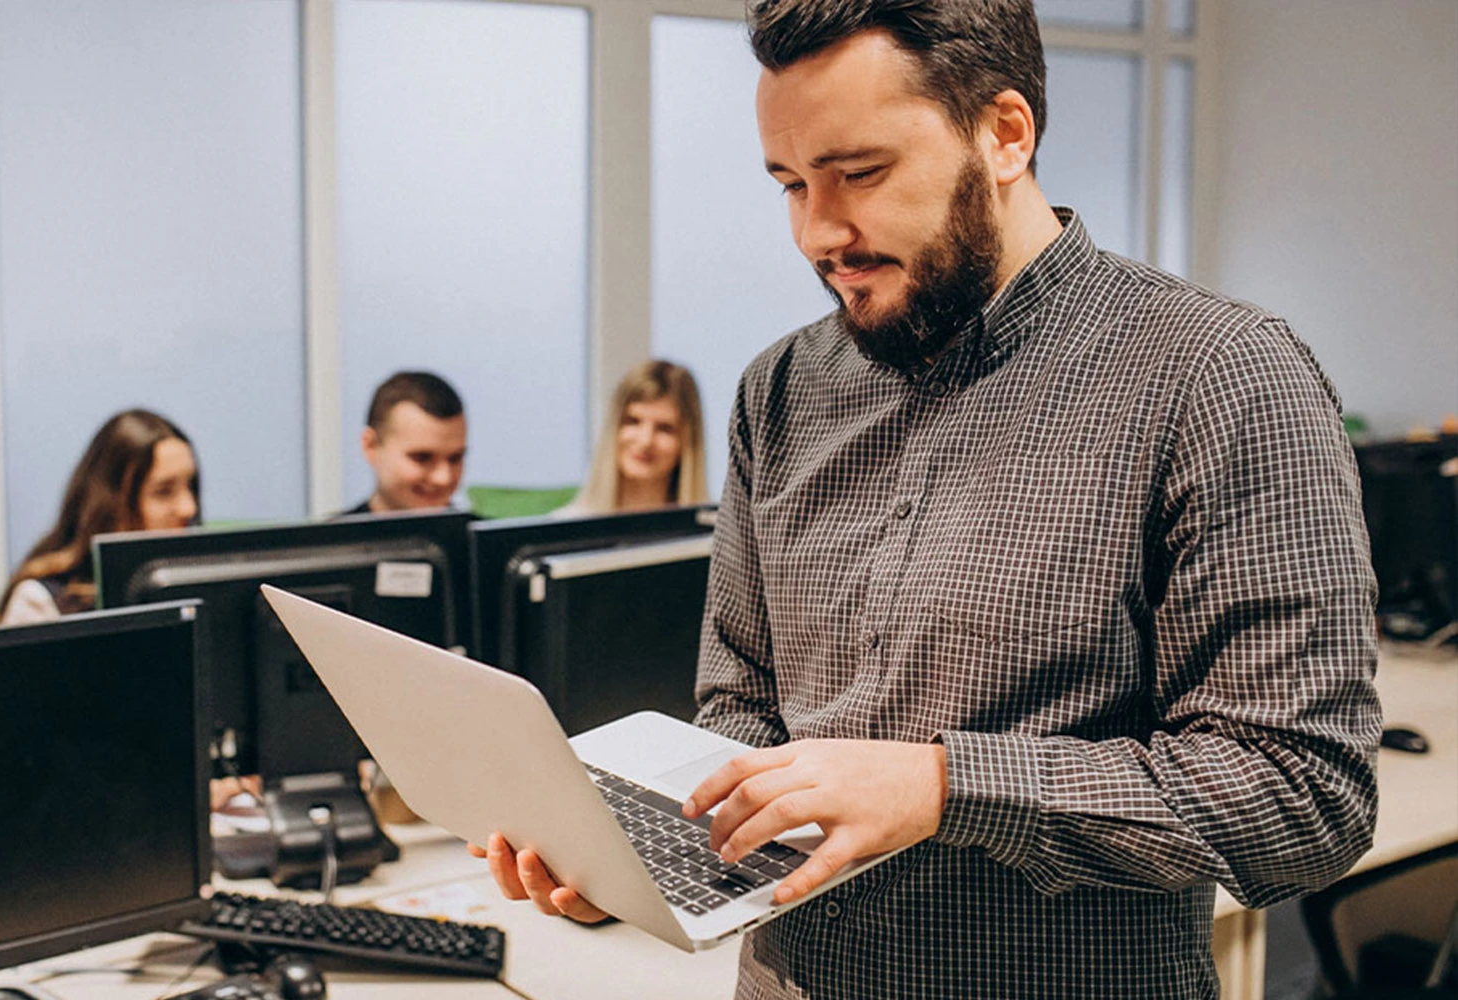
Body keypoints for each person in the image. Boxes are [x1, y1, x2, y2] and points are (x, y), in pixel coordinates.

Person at [473, 2, 1382, 997]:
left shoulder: (1218, 378)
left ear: (1002, 133)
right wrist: (639, 855)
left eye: (858, 173)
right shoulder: (777, 390)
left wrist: (948, 786)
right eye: (789, 184)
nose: (819, 232)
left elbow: (1303, 796)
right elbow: (739, 710)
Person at [0, 408, 199, 625]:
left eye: (191, 486)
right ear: (111, 503)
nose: (189, 508)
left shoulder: (204, 586)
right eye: (163, 491)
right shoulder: (42, 602)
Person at [560, 359, 709, 515]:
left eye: (665, 428)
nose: (646, 441)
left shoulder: (712, 534)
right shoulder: (565, 528)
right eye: (633, 422)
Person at [345, 371, 467, 514]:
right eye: (422, 458)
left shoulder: (489, 536)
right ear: (371, 446)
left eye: (455, 458)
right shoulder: (326, 536)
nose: (443, 478)